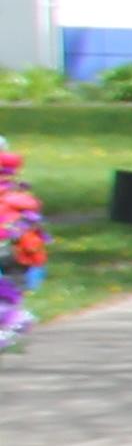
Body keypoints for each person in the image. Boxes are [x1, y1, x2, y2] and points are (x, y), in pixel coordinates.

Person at [0, 138, 46, 347]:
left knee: (6, 293)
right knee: (8, 292)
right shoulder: (15, 193)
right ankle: (14, 319)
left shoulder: (7, 198)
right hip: (21, 254)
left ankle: (14, 320)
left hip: (9, 252)